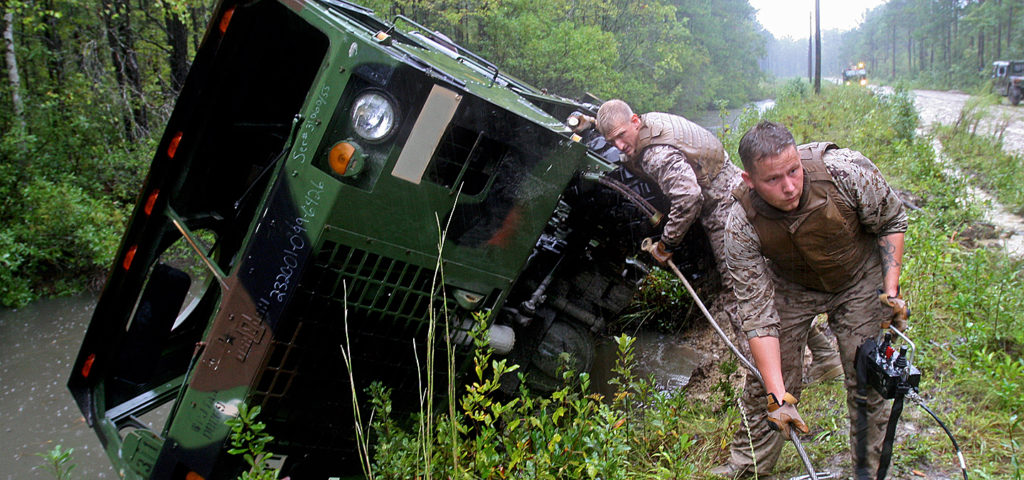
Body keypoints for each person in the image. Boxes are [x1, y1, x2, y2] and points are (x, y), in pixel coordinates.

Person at [712, 120, 908, 479]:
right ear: (748, 180)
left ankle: (868, 473)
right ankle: (749, 466)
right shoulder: (740, 224)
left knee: (867, 378)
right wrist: (777, 395)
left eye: (793, 171)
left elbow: (891, 220)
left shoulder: (843, 171)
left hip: (858, 276)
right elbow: (757, 314)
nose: (789, 187)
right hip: (792, 284)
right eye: (773, 180)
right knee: (766, 386)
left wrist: (890, 290)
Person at [589, 99, 746, 349]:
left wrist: (666, 244)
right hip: (735, 184)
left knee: (737, 296)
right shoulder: (647, 126)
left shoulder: (655, 155)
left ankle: (760, 377)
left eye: (621, 136)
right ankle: (822, 354)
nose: (619, 146)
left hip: (723, 208)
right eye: (611, 142)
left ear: (635, 121)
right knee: (769, 275)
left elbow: (689, 198)